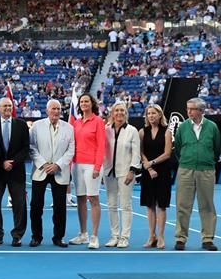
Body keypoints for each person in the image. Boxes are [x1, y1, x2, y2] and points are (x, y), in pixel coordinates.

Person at [173, 97, 221, 251]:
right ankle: (181, 238)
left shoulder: (212, 127)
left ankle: (207, 239)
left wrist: (207, 161)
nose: (188, 112)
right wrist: (187, 160)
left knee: (207, 205)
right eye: (188, 109)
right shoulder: (182, 127)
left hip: (206, 170)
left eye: (192, 109)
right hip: (185, 169)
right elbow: (178, 148)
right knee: (182, 205)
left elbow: (217, 148)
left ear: (201, 110)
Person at [28, 99, 75, 248]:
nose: (56, 111)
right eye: (53, 109)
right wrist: (44, 164)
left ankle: (58, 237)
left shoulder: (69, 128)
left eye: (58, 109)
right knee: (36, 206)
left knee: (60, 207)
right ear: (47, 111)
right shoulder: (36, 126)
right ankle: (36, 236)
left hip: (60, 172)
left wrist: (57, 165)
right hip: (40, 171)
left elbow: (71, 150)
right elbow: (31, 147)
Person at [0, 98, 29, 246]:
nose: (7, 108)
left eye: (9, 106)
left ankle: (18, 235)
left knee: (19, 204)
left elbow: (25, 148)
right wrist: (2, 162)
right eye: (4, 106)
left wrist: (13, 162)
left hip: (16, 171)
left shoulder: (21, 125)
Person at [100, 102, 141, 249]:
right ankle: (114, 236)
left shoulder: (132, 130)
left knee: (126, 205)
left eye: (122, 110)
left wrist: (133, 170)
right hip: (109, 172)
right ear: (112, 113)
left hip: (126, 172)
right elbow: (101, 151)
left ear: (126, 113)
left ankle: (124, 237)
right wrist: (102, 170)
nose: (119, 113)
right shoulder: (105, 130)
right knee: (111, 205)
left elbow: (136, 153)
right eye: (116, 110)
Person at [69, 93, 105, 249]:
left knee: (93, 199)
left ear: (92, 103)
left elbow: (101, 145)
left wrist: (97, 167)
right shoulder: (76, 123)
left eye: (86, 101)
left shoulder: (98, 121)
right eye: (82, 101)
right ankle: (83, 234)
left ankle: (94, 236)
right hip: (77, 165)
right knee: (80, 199)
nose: (84, 103)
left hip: (92, 166)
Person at [139, 104, 173, 249]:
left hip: (163, 172)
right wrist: (148, 166)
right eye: (148, 113)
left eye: (153, 113)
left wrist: (151, 163)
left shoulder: (167, 132)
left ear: (160, 115)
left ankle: (161, 236)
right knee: (149, 205)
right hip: (148, 173)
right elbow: (140, 152)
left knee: (161, 205)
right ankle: (151, 235)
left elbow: (167, 153)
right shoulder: (142, 132)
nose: (151, 116)